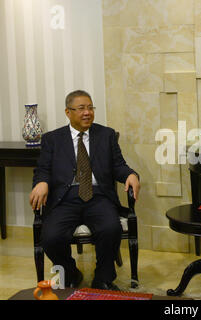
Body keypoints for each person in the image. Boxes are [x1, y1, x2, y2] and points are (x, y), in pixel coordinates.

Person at [29, 90, 140, 291]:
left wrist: (131, 175)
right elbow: (43, 169)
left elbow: (118, 166)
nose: (87, 112)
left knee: (110, 229)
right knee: (50, 237)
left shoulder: (106, 135)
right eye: (81, 108)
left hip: (98, 196)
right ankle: (71, 273)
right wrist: (42, 182)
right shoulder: (52, 139)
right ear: (68, 112)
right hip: (65, 198)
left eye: (90, 107)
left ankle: (103, 278)